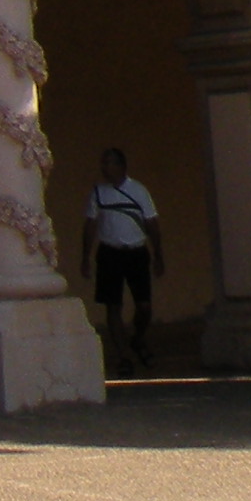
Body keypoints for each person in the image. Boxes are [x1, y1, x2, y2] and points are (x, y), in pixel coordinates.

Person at [87, 146, 164, 370]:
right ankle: (124, 355)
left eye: (109, 163)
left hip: (136, 253)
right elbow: (90, 224)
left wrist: (158, 254)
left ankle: (138, 338)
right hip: (109, 253)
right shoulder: (98, 192)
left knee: (144, 306)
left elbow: (152, 223)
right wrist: (86, 256)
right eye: (103, 163)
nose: (105, 167)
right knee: (113, 306)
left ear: (121, 166)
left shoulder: (139, 191)